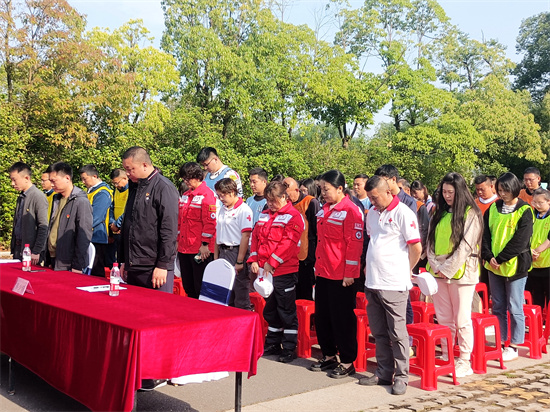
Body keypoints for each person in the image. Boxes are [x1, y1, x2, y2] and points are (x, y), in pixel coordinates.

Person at [119, 147, 178, 391]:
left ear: (144, 165)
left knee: (157, 321)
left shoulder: (164, 188)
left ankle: (158, 371)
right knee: (136, 320)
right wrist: (123, 260)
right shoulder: (135, 187)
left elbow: (168, 230)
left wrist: (163, 265)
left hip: (155, 267)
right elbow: (129, 226)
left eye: (130, 169)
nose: (128, 174)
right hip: (134, 264)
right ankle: (138, 368)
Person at [359, 175, 422, 395]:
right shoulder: (372, 214)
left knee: (397, 331)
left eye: (375, 197)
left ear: (388, 192)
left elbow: (416, 248)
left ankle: (402, 376)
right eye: (369, 198)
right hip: (373, 281)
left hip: (394, 282)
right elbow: (372, 241)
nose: (372, 202)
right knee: (378, 331)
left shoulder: (403, 213)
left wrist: (406, 270)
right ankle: (384, 372)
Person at [426, 172, 483, 378]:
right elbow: (429, 242)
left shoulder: (471, 213)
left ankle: (465, 359)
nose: (447, 196)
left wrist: (447, 266)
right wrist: (434, 263)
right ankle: (447, 354)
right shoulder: (438, 212)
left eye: (451, 192)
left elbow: (466, 246)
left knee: (462, 319)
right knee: (443, 318)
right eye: (444, 192)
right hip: (439, 271)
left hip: (462, 272)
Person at [309, 170, 363, 379]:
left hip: (342, 276)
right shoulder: (324, 210)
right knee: (323, 317)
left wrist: (350, 273)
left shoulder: (351, 211)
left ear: (340, 189)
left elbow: (354, 245)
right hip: (323, 271)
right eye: (322, 189)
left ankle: (348, 360)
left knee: (342, 319)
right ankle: (329, 355)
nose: (323, 193)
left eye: (327, 189)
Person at [248, 181, 304, 363]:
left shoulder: (293, 216)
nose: (270, 204)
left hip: (283, 271)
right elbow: (255, 238)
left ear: (284, 197)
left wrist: (272, 262)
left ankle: (289, 347)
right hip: (265, 272)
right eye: (268, 201)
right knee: (270, 309)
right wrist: (255, 259)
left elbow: (288, 244)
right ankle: (272, 343)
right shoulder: (264, 215)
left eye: (273, 201)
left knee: (286, 310)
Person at [481, 172, 534, 362]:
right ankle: (501, 339)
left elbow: (521, 241)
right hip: (493, 265)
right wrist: (489, 256)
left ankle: (514, 344)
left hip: (515, 266)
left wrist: (501, 257)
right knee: (498, 305)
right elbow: (485, 235)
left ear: (514, 189)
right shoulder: (493, 208)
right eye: (500, 190)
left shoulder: (525, 210)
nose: (502, 194)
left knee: (515, 305)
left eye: (505, 190)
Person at [177, 162, 217, 299]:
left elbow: (210, 222)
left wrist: (205, 244)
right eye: (184, 179)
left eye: (188, 178)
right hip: (184, 247)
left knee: (200, 286)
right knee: (188, 285)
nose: (185, 182)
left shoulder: (207, 195)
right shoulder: (185, 195)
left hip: (199, 248)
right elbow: (180, 221)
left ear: (197, 177)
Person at [215, 178, 254, 309]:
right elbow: (217, 233)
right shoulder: (222, 209)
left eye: (223, 195)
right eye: (219, 195)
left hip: (236, 250)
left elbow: (245, 236)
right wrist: (216, 257)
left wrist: (239, 260)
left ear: (232, 192)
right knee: (225, 291)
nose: (221, 198)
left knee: (240, 291)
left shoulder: (244, 210)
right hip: (223, 250)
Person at [47, 162, 93, 272]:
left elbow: (84, 236)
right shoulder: (56, 199)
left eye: (54, 181)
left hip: (68, 262)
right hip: (53, 258)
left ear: (67, 178)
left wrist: (77, 265)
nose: (52, 184)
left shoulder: (80, 201)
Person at [284, 177, 320, 301]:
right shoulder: (285, 205)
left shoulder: (310, 202)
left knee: (305, 292)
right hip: (288, 255)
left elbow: (317, 231)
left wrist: (314, 256)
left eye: (288, 194)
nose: (286, 197)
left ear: (297, 190)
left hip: (306, 255)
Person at [9, 162, 49, 265]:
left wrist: (37, 251)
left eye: (14, 180)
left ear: (26, 178)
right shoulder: (21, 197)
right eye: (11, 180)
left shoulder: (38, 196)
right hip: (19, 249)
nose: (12, 184)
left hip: (31, 253)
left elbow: (43, 226)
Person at [80, 164, 113, 277]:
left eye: (85, 179)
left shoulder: (102, 192)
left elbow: (96, 217)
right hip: (89, 234)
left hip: (97, 236)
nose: (83, 182)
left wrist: (81, 228)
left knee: (95, 270)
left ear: (94, 176)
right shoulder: (91, 191)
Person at [527, 188, 550, 308]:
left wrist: (536, 251)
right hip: (533, 264)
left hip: (547, 264)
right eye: (534, 202)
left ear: (549, 201)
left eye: (540, 202)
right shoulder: (531, 215)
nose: (537, 205)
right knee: (537, 297)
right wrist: (530, 252)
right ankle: (539, 322)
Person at [107, 168, 129, 266]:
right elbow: (112, 206)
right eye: (114, 184)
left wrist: (118, 224)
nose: (116, 186)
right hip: (115, 228)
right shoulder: (116, 190)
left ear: (125, 178)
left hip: (123, 227)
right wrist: (112, 223)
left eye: (117, 183)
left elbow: (129, 209)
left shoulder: (131, 189)